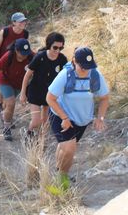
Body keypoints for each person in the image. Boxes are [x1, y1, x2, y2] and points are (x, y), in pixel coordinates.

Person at [46, 47, 109, 190]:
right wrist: (64, 117)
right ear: (74, 61)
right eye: (83, 67)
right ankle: (61, 184)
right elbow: (50, 98)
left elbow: (104, 98)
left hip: (82, 120)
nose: (86, 70)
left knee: (65, 148)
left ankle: (59, 172)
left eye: (89, 67)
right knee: (69, 149)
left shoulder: (95, 75)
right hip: (60, 116)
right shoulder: (65, 75)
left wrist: (100, 118)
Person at [0, 38, 34, 141]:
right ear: (16, 50)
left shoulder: (31, 56)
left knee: (8, 106)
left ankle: (4, 115)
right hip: (5, 80)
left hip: (20, 83)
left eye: (26, 53)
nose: (24, 56)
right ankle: (7, 128)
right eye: (22, 53)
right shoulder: (8, 56)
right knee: (11, 103)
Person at [20, 33, 68, 139]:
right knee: (36, 121)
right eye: (55, 47)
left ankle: (40, 143)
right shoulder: (40, 57)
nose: (58, 51)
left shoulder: (62, 59)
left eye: (61, 48)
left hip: (50, 95)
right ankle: (29, 133)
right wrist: (23, 93)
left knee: (45, 121)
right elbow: (27, 75)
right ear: (49, 45)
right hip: (35, 92)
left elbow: (65, 77)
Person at [0, 12, 30, 114]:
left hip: (15, 62)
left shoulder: (25, 34)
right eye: (20, 21)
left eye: (23, 21)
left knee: (9, 83)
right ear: (14, 22)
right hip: (3, 61)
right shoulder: (5, 31)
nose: (22, 23)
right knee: (3, 81)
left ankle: (5, 107)